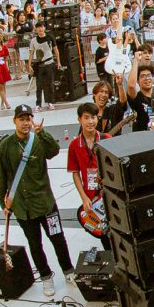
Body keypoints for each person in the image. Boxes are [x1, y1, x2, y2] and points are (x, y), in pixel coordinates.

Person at [0, 103, 74, 297]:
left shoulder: (38, 139)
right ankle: (46, 277)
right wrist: (2, 202)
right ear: (14, 121)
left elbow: (54, 151)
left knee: (58, 238)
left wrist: (42, 133)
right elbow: (1, 176)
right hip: (23, 208)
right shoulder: (6, 145)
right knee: (35, 244)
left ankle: (69, 271)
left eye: (28, 119)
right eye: (21, 119)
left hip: (46, 204)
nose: (25, 123)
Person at [66, 100, 104, 236]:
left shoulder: (106, 139)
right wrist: (84, 198)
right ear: (79, 120)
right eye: (86, 118)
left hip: (108, 194)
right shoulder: (74, 145)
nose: (90, 122)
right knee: (103, 234)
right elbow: (75, 173)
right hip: (91, 197)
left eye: (93, 117)